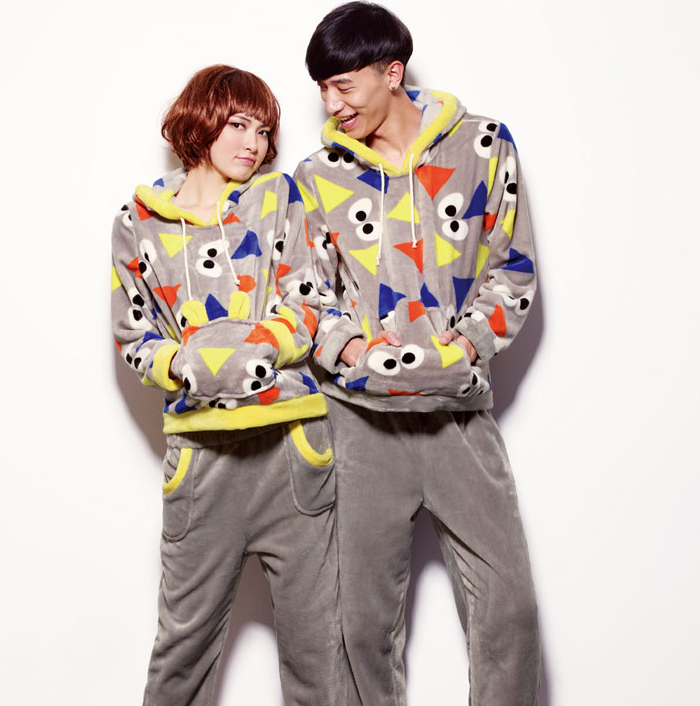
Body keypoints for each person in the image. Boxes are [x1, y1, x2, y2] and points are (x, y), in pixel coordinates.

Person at [293, 3, 541, 705]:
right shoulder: (316, 176)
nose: (332, 105)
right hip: (359, 424)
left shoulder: (484, 145)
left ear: (392, 72)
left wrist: (464, 346)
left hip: (458, 416)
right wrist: (354, 351)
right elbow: (308, 294)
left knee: (510, 610)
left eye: (343, 86)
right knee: (361, 626)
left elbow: (514, 268)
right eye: (322, 90)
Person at [111, 65, 343, 706]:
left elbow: (311, 302)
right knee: (181, 654)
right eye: (239, 125)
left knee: (319, 654)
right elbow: (133, 335)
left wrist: (260, 348)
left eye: (264, 131)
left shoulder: (280, 198)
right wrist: (187, 365)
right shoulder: (138, 221)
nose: (254, 143)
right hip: (201, 460)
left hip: (293, 448)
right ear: (201, 122)